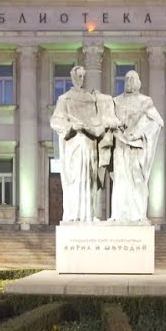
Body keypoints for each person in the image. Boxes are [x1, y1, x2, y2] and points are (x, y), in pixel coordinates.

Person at [49, 64, 116, 222]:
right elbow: (55, 120)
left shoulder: (90, 98)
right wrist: (72, 126)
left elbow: (98, 117)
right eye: (78, 76)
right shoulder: (65, 98)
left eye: (83, 76)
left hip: (90, 144)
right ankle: (75, 215)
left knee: (90, 180)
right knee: (76, 179)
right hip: (75, 144)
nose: (81, 79)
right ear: (73, 77)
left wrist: (101, 125)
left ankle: (89, 214)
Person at [109, 70, 164, 223]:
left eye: (132, 79)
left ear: (138, 82)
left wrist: (139, 132)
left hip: (137, 148)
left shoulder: (145, 101)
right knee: (120, 180)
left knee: (137, 180)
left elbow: (157, 121)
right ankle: (119, 215)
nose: (129, 82)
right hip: (120, 145)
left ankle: (138, 214)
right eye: (126, 79)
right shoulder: (116, 101)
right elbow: (108, 121)